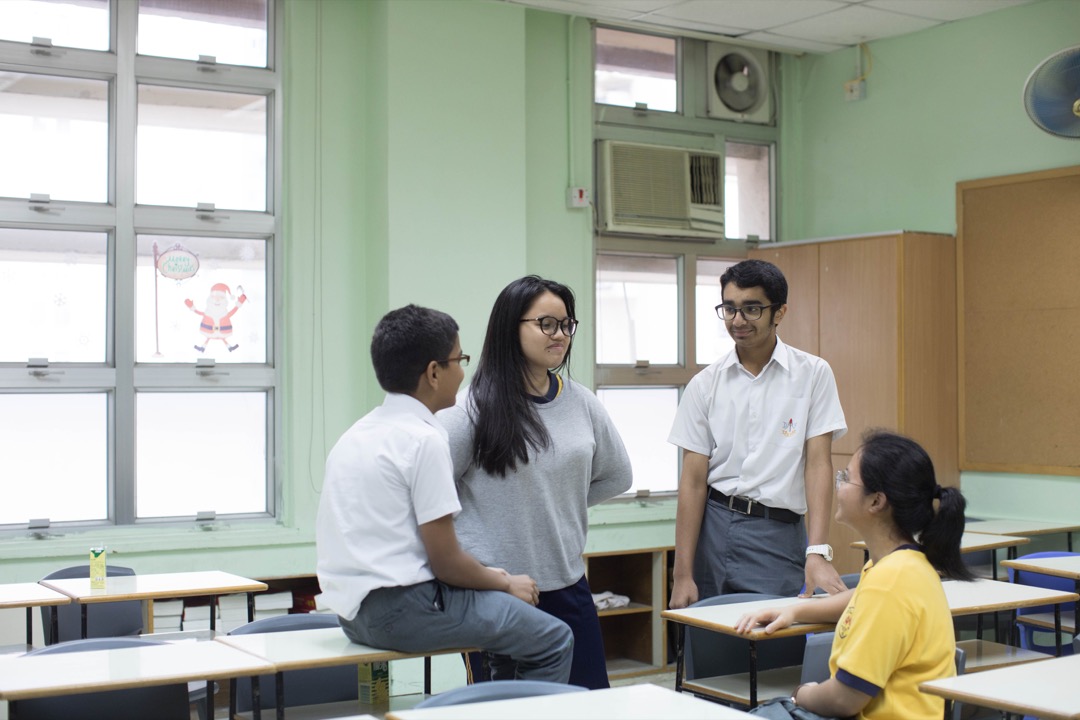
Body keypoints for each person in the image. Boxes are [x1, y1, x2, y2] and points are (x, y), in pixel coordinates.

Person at [315, 304, 573, 683]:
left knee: (506, 621)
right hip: (405, 611)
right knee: (554, 638)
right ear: (435, 373)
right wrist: (504, 581)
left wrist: (492, 580)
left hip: (353, 616)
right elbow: (446, 562)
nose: (464, 371)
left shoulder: (357, 434)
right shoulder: (424, 439)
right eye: (459, 360)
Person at [438, 275, 632, 689]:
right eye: (546, 324)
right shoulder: (471, 410)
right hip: (497, 594)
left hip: (568, 585)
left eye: (566, 325)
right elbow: (426, 494)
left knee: (586, 706)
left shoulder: (581, 401)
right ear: (511, 327)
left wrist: (557, 499)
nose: (559, 334)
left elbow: (617, 475)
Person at [735, 430, 973, 720]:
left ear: (876, 502)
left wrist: (801, 693)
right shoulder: (901, 565)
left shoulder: (891, 581)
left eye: (846, 478)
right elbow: (859, 599)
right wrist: (794, 611)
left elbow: (843, 699)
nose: (839, 485)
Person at [668, 259, 848, 607]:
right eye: (729, 309)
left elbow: (818, 465)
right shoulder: (705, 384)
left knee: (773, 646)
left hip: (776, 530)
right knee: (709, 641)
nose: (738, 321)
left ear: (779, 312)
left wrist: (818, 550)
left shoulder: (812, 374)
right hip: (714, 525)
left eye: (751, 309)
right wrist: (682, 574)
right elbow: (692, 481)